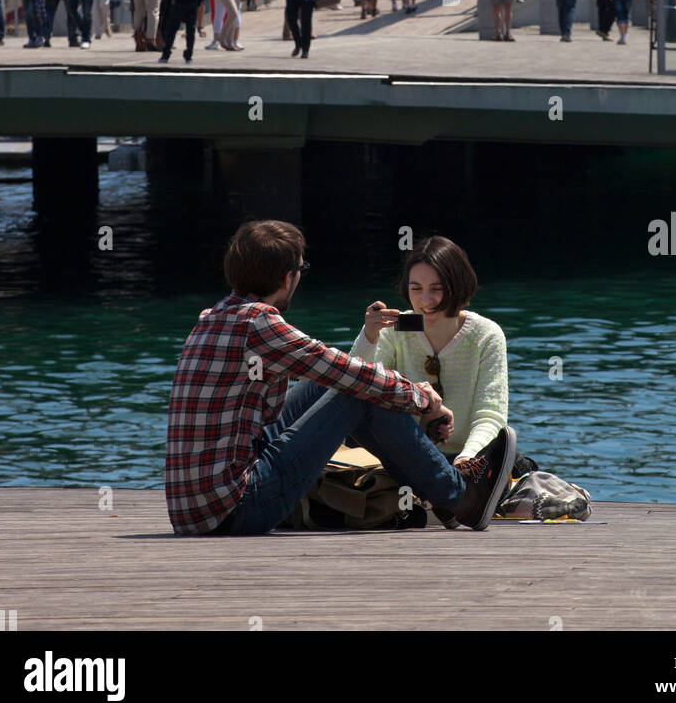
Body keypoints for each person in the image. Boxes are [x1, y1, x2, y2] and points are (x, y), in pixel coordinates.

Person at [165, 220, 516, 537]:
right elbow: (350, 375)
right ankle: (462, 497)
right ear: (289, 277)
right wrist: (422, 399)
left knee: (326, 382)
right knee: (356, 392)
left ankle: (438, 481)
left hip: (190, 511)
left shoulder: (210, 317)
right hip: (236, 509)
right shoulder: (259, 325)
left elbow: (333, 368)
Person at [351, 236, 509, 488]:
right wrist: (368, 336)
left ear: (457, 286)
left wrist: (467, 459)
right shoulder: (394, 328)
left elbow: (490, 415)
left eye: (436, 289)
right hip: (404, 456)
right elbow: (357, 388)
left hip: (468, 459)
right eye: (416, 289)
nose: (426, 301)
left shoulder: (485, 334)